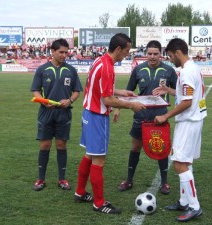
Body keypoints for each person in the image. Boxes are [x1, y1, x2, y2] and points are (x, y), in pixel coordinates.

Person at [73, 33, 146, 214]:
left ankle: (80, 192)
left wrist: (122, 92)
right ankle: (99, 203)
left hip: (88, 114)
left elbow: (101, 88)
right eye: (127, 50)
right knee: (99, 159)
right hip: (97, 117)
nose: (127, 54)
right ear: (119, 49)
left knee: (90, 155)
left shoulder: (100, 61)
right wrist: (132, 105)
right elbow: (107, 100)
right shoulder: (107, 67)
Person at [154, 38, 206, 222]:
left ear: (177, 52)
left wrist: (165, 116)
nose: (170, 59)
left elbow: (187, 102)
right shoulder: (193, 68)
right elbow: (189, 95)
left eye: (169, 55)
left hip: (188, 121)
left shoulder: (186, 72)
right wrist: (168, 90)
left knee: (179, 163)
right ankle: (184, 201)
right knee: (185, 162)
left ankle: (194, 206)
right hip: (194, 120)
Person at [117, 40, 178, 194]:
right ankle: (129, 180)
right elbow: (128, 92)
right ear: (146, 54)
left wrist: (168, 90)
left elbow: (179, 92)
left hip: (161, 116)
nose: (152, 56)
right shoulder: (138, 70)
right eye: (149, 53)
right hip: (141, 115)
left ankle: (164, 182)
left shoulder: (169, 71)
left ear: (160, 54)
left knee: (162, 147)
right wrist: (118, 108)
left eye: (155, 54)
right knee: (136, 147)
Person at [30, 38, 83, 191]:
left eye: (66, 52)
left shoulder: (71, 70)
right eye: (61, 52)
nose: (64, 55)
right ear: (52, 52)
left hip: (64, 113)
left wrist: (70, 100)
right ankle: (41, 179)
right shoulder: (42, 69)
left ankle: (62, 179)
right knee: (45, 145)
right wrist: (42, 100)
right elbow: (35, 89)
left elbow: (77, 91)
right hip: (46, 113)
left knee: (61, 145)